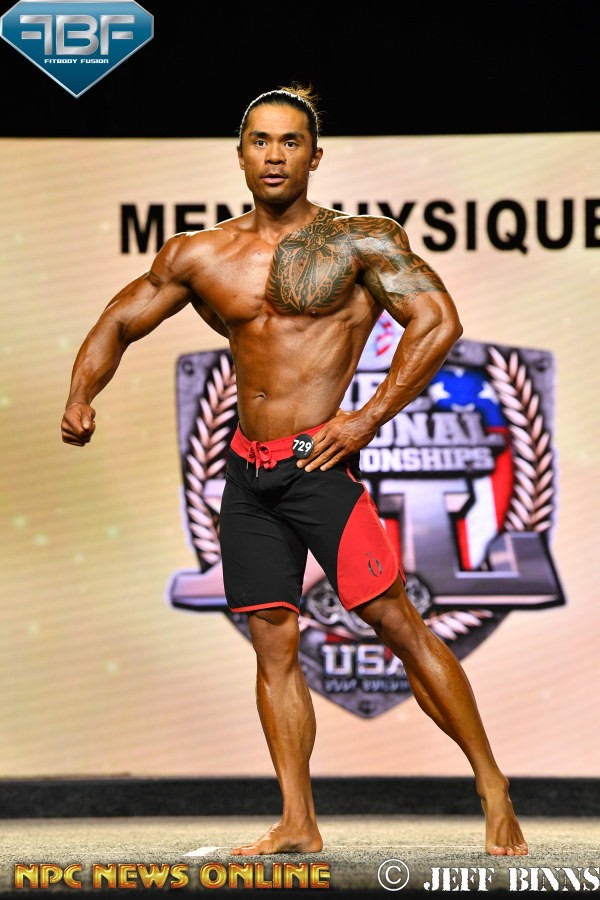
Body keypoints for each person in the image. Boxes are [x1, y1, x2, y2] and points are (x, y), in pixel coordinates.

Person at [61, 84, 528, 858]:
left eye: (290, 142)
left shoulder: (361, 243)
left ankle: (491, 783)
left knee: (399, 627)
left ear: (315, 156)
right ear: (240, 155)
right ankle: (297, 820)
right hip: (247, 477)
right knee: (273, 644)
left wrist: (366, 418)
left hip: (320, 467)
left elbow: (438, 321)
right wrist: (81, 394)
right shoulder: (198, 254)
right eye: (260, 141)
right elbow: (120, 318)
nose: (274, 155)